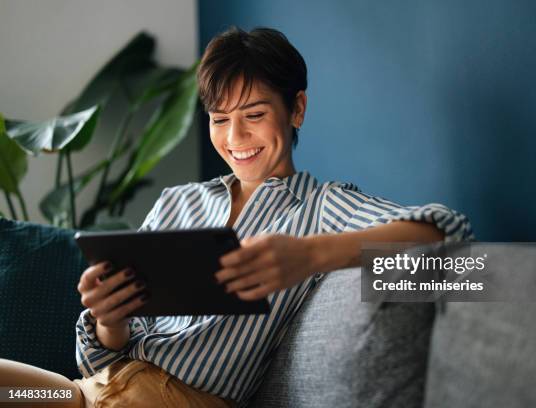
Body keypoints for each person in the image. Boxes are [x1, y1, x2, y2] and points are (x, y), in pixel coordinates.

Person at [0, 26, 473, 407]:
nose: (235, 136)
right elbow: (104, 354)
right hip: (89, 392)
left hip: (171, 400)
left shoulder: (321, 206)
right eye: (219, 118)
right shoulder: (179, 203)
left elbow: (444, 231)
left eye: (253, 113)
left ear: (298, 109)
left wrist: (309, 255)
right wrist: (110, 318)